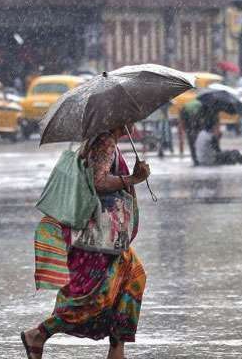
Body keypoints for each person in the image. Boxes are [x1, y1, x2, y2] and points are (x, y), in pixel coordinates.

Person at [22, 124, 151, 359]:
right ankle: (39, 334)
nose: (134, 123)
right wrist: (133, 178)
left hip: (111, 240)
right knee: (93, 298)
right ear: (118, 116)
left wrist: (132, 177)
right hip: (97, 239)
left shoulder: (105, 142)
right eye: (131, 117)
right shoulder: (105, 142)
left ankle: (117, 348)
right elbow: (98, 182)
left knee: (132, 279)